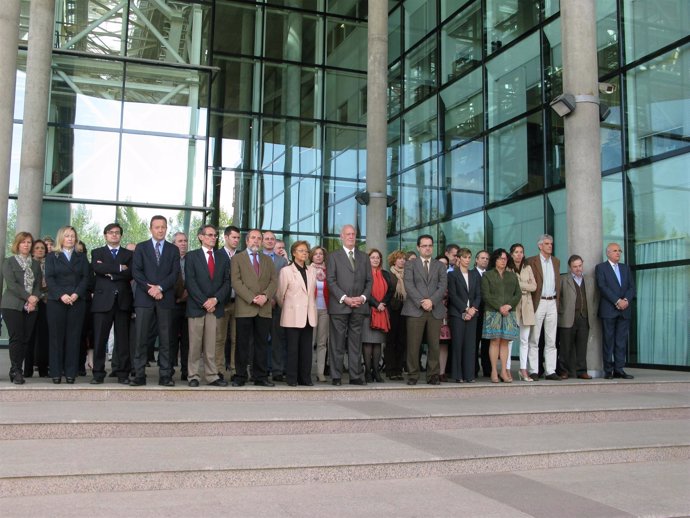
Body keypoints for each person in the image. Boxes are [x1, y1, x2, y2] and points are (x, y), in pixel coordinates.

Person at [131, 215, 181, 387]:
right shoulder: (141, 247)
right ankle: (139, 374)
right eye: (157, 227)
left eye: (163, 227)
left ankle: (165, 375)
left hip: (165, 298)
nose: (160, 230)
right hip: (144, 299)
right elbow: (136, 272)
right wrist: (150, 289)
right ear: (151, 228)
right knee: (141, 338)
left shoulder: (173, 250)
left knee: (166, 339)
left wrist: (159, 288)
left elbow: (175, 274)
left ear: (167, 229)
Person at [184, 225, 230, 387]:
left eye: (215, 235)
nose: (213, 238)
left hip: (215, 307)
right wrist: (204, 301)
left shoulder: (222, 258)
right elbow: (190, 282)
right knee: (195, 344)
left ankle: (212, 376)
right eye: (210, 235)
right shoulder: (191, 256)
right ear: (200, 237)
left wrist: (215, 300)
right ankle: (193, 376)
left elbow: (227, 282)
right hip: (197, 307)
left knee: (212, 345)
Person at [326, 224, 373, 385]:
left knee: (355, 343)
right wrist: (345, 298)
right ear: (341, 237)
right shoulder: (333, 256)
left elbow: (369, 281)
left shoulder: (364, 257)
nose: (351, 236)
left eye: (353, 234)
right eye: (348, 234)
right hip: (340, 306)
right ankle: (336, 376)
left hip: (359, 306)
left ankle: (355, 376)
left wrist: (363, 298)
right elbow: (330, 281)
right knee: (337, 343)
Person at [231, 229, 278, 387]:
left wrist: (265, 296)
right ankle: (240, 376)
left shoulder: (268, 260)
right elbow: (236, 282)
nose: (256, 241)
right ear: (247, 241)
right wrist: (252, 298)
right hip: (245, 307)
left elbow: (274, 281)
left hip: (264, 308)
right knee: (242, 344)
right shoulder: (237, 258)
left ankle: (260, 377)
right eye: (253, 238)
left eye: (259, 238)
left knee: (261, 344)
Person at [45, 226, 90, 384]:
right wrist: (61, 295)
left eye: (72, 236)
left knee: (74, 337)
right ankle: (56, 373)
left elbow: (86, 278)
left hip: (77, 301)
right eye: (67, 236)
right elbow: (49, 278)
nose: (70, 238)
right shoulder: (52, 256)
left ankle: (71, 372)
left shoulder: (81, 256)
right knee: (56, 338)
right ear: (61, 238)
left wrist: (76, 294)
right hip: (57, 302)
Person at [90, 223, 134, 385]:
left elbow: (131, 272)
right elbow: (97, 268)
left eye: (117, 233)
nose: (114, 235)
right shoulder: (97, 252)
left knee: (123, 340)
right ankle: (98, 373)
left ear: (121, 236)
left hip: (123, 301)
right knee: (100, 339)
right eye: (111, 232)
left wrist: (111, 273)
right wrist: (119, 268)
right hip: (102, 302)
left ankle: (123, 373)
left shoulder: (128, 254)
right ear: (105, 235)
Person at [402, 234, 448, 385]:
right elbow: (408, 285)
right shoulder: (410, 265)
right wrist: (422, 302)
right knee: (413, 345)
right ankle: (413, 375)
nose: (427, 248)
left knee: (434, 345)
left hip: (434, 310)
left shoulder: (440, 265)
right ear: (418, 247)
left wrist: (431, 301)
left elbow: (442, 286)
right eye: (424, 246)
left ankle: (433, 375)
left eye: (430, 245)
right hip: (415, 309)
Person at [2, 232, 42, 384]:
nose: (26, 245)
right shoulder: (9, 262)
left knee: (26, 339)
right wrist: (28, 297)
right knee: (16, 337)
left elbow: (38, 286)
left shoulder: (36, 264)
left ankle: (16, 369)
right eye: (23, 242)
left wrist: (34, 299)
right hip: (12, 305)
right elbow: (12, 285)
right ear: (17, 245)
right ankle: (16, 370)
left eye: (29, 242)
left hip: (32, 306)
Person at [276, 241, 316, 386]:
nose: (304, 253)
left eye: (306, 251)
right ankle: (292, 378)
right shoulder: (286, 271)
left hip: (308, 315)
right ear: (293, 253)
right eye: (301, 251)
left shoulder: (312, 270)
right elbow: (280, 294)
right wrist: (288, 307)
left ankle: (305, 378)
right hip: (292, 314)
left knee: (306, 349)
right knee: (293, 349)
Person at [480, 248, 522, 383]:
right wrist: (499, 307)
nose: (503, 261)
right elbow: (486, 295)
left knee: (505, 342)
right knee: (494, 341)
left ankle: (504, 371)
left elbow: (518, 293)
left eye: (505, 259)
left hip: (509, 312)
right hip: (493, 312)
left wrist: (509, 305)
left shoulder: (512, 275)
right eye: (500, 258)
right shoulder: (488, 275)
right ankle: (493, 371)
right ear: (495, 260)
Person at [596, 243, 636, 379]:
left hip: (624, 310)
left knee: (621, 341)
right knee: (608, 340)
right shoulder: (601, 268)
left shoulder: (625, 268)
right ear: (608, 253)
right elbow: (602, 287)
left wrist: (626, 301)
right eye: (615, 251)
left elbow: (632, 287)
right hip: (609, 310)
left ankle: (619, 369)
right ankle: (608, 370)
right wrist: (617, 301)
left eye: (619, 251)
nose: (618, 253)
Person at [526, 234, 562, 381]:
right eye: (547, 244)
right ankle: (534, 370)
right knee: (534, 338)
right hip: (538, 301)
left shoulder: (556, 261)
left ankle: (550, 370)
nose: (550, 246)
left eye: (551, 244)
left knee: (551, 339)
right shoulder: (531, 261)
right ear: (540, 245)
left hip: (552, 301)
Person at [558, 254, 598, 380]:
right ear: (570, 267)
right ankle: (563, 371)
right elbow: (558, 298)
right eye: (575, 266)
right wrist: (561, 312)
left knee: (582, 347)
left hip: (584, 317)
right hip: (567, 317)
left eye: (580, 265)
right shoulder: (563, 279)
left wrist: (592, 313)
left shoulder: (590, 280)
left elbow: (595, 299)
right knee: (565, 346)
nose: (578, 269)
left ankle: (581, 371)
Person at [447, 247, 481, 383]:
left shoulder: (475, 275)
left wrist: (473, 309)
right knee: (458, 344)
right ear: (458, 259)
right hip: (457, 314)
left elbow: (479, 294)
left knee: (470, 345)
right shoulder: (452, 275)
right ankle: (458, 375)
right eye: (465, 257)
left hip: (473, 314)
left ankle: (469, 375)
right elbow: (453, 295)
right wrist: (465, 309)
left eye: (469, 257)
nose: (467, 260)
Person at [361, 249, 395, 383]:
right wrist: (376, 304)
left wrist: (383, 303)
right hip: (367, 310)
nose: (376, 260)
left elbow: (391, 290)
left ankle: (376, 371)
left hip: (382, 311)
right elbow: (364, 291)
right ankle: (367, 372)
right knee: (367, 342)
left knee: (377, 343)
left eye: (378, 258)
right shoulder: (363, 274)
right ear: (368, 260)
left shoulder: (385, 274)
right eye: (372, 257)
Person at [508, 243, 537, 382]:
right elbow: (509, 287)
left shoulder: (528, 267)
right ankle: (507, 369)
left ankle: (523, 369)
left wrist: (520, 286)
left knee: (525, 340)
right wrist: (524, 287)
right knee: (510, 340)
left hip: (526, 306)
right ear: (511, 254)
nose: (519, 254)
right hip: (513, 306)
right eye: (516, 252)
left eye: (521, 252)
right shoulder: (508, 268)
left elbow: (534, 286)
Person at [262, 230, 289, 382]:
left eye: (272, 239)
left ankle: (278, 371)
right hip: (259, 304)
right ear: (262, 241)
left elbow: (283, 283)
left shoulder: (282, 261)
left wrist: (274, 299)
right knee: (260, 339)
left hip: (277, 305)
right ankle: (261, 369)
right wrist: (265, 298)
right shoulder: (256, 257)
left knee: (278, 339)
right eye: (267, 239)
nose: (270, 241)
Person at [216, 225, 240, 378]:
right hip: (221, 303)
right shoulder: (217, 255)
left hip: (239, 303)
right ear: (225, 237)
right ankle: (219, 370)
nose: (236, 240)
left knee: (236, 338)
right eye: (233, 237)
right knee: (219, 338)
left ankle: (234, 369)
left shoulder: (243, 256)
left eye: (238, 238)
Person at [29, 239, 50, 378]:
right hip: (31, 301)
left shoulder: (50, 263)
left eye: (42, 248)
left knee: (44, 336)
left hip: (46, 302)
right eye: (37, 248)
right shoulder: (28, 264)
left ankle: (43, 368)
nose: (40, 250)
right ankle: (27, 369)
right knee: (30, 336)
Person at [170, 232, 189, 381]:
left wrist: (187, 294)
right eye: (180, 241)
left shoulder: (192, 259)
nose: (183, 243)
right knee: (170, 340)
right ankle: (169, 369)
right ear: (173, 243)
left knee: (187, 341)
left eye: (185, 241)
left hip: (189, 303)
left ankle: (185, 371)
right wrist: (176, 297)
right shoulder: (169, 258)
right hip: (171, 304)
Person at [385, 250, 407, 381]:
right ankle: (390, 369)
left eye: (404, 259)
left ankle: (399, 369)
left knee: (402, 341)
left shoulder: (408, 275)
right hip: (392, 311)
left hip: (405, 311)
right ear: (394, 260)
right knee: (391, 341)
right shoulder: (389, 275)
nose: (402, 261)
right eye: (399, 258)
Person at [309, 246, 329, 382]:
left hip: (325, 310)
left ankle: (320, 372)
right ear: (311, 256)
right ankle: (307, 370)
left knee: (322, 343)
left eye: (321, 254)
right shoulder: (308, 270)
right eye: (315, 254)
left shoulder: (329, 271)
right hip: (311, 309)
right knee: (310, 341)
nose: (318, 256)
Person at [473, 250, 491, 377]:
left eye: (487, 258)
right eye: (482, 258)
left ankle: (487, 369)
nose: (485, 260)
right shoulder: (471, 274)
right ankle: (473, 368)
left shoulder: (491, 275)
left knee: (488, 343)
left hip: (489, 313)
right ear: (476, 260)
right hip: (475, 313)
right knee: (474, 342)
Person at [436, 255, 451, 381]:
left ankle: (442, 371)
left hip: (447, 316)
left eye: (445, 264)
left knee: (444, 344)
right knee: (433, 343)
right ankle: (433, 370)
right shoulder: (430, 277)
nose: (443, 266)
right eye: (441, 263)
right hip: (432, 313)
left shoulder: (450, 278)